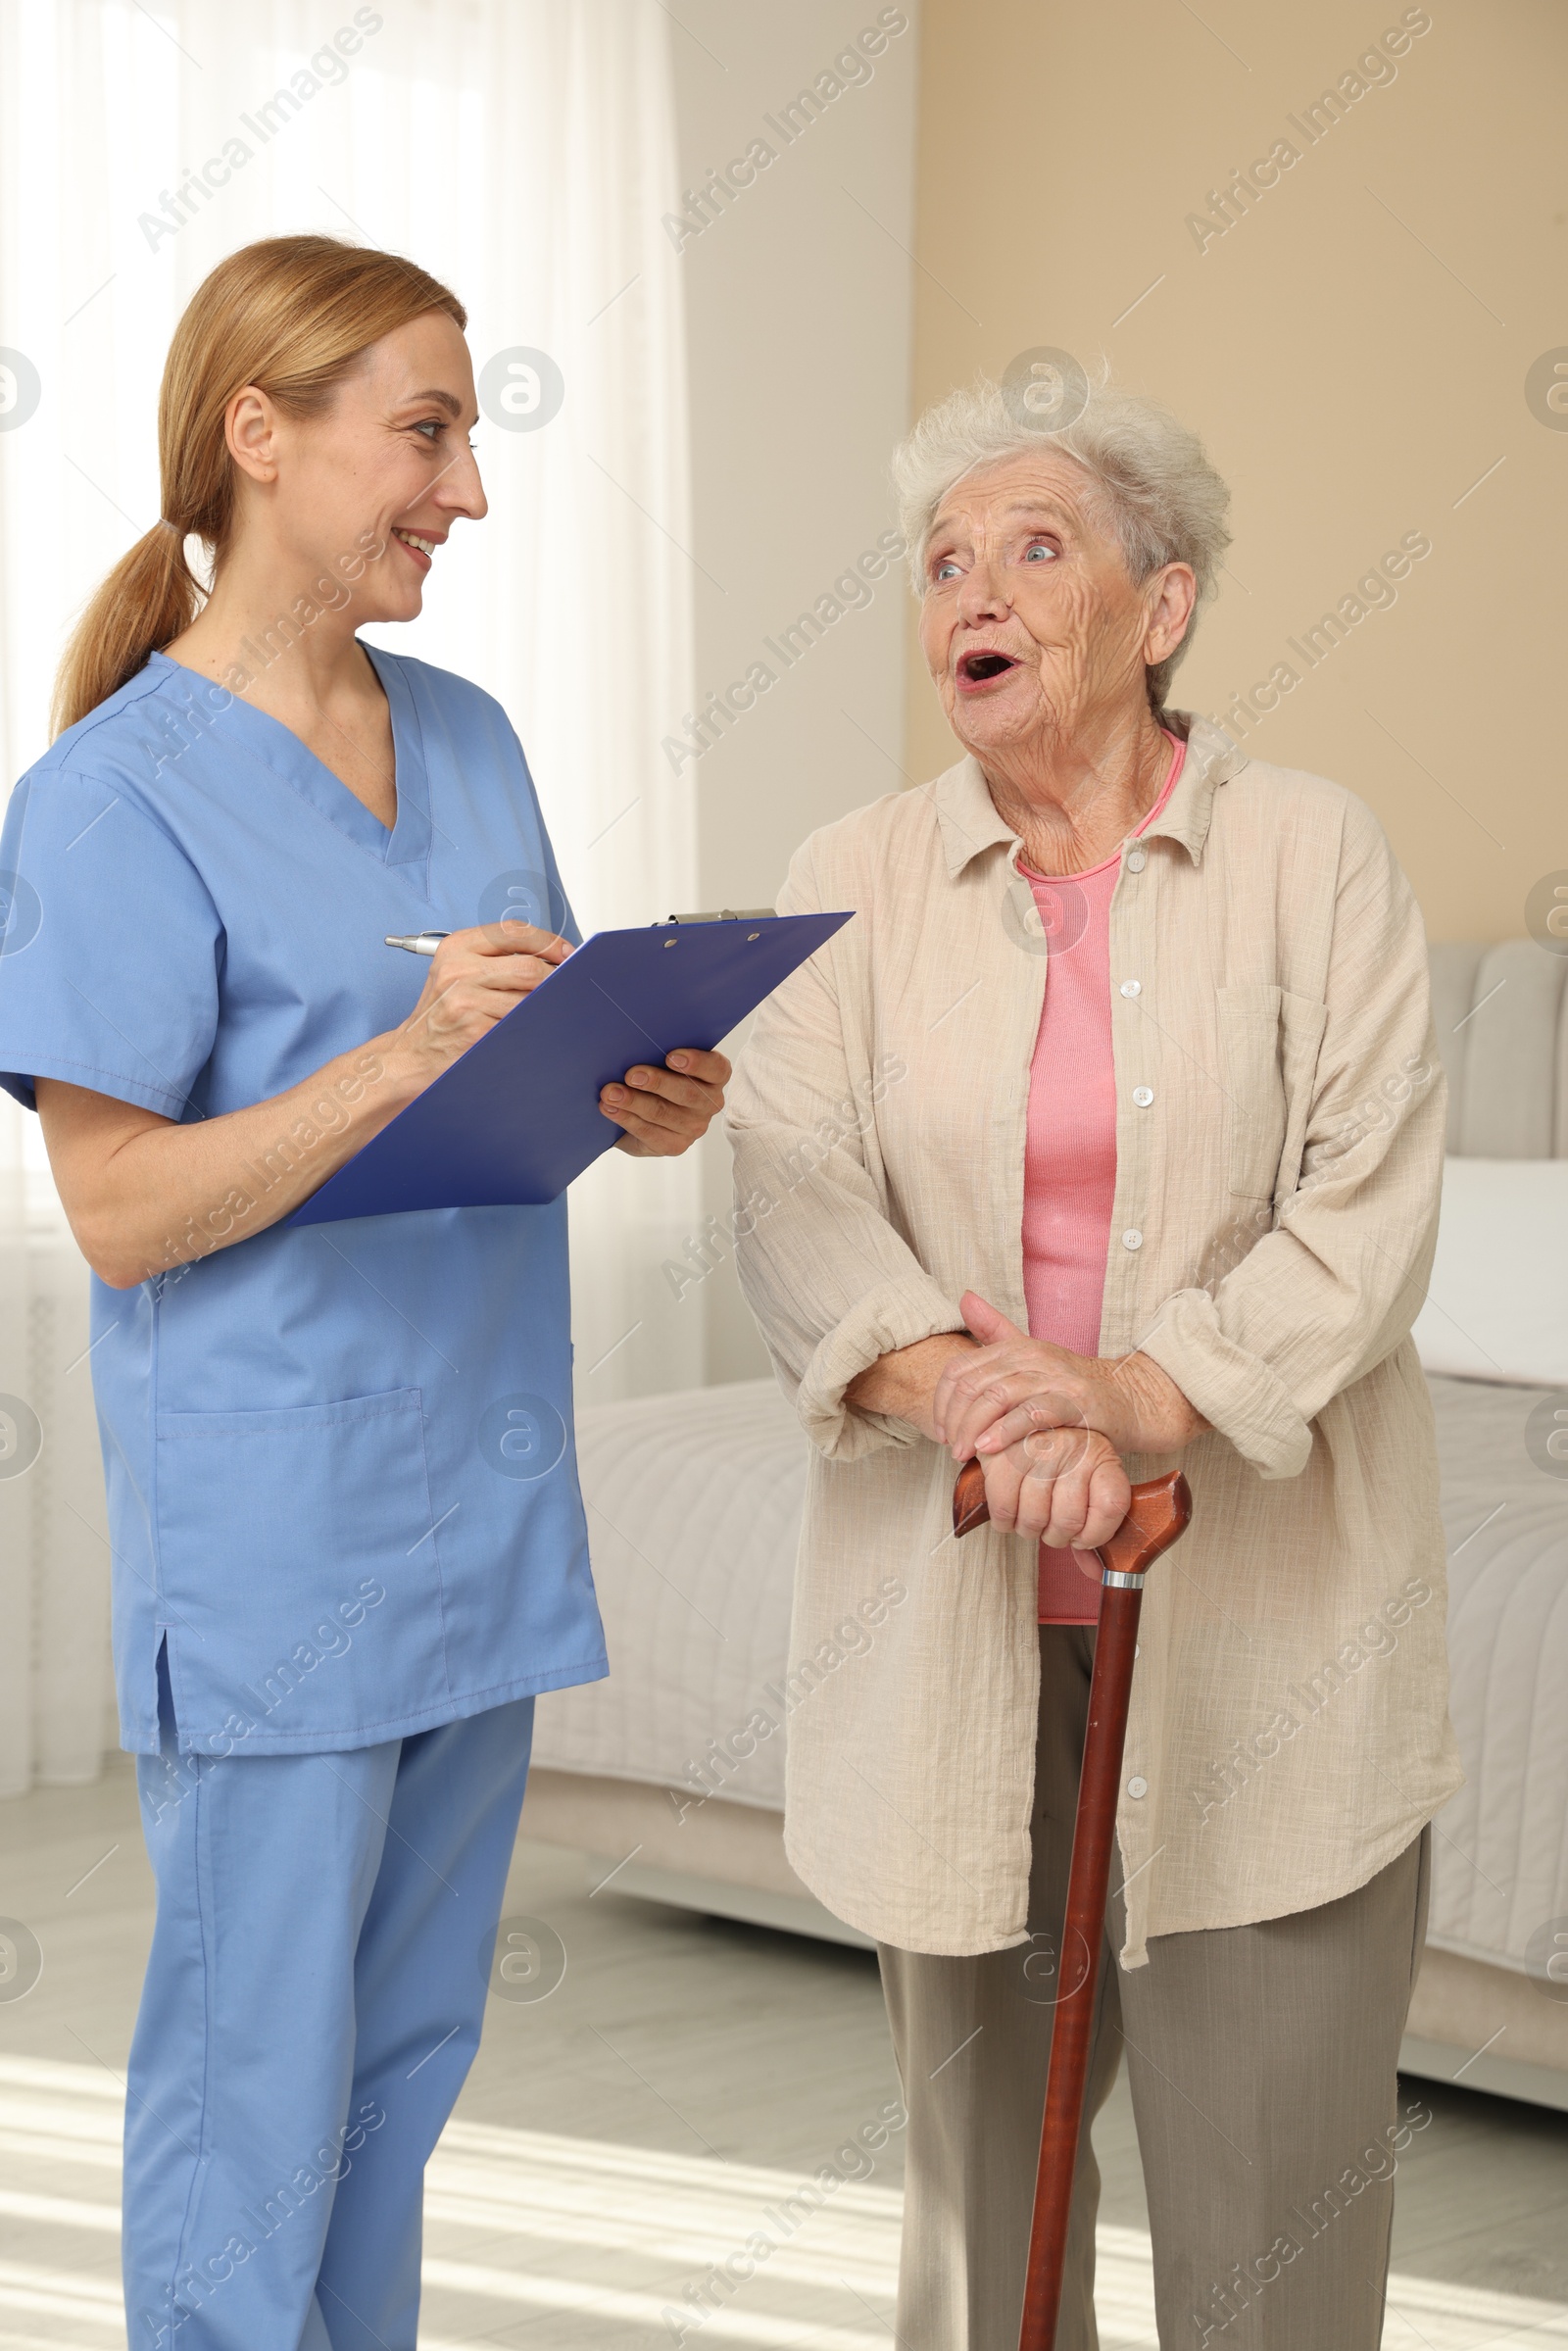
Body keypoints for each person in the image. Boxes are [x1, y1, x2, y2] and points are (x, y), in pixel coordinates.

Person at [0, 234, 729, 2351]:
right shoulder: (111, 798)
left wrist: (638, 1087)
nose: (467, 492)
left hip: (476, 1515)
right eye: (427, 431)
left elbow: (516, 1088)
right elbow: (122, 1209)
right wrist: (401, 1053)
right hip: (275, 1552)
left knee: (399, 2086)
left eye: (468, 438)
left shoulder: (472, 738)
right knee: (255, 2103)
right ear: (260, 431)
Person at [725, 370, 1460, 2349]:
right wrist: (983, 1397)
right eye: (940, 560)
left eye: (1030, 546)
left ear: (1161, 607)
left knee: (1272, 2230)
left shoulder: (1311, 855)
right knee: (981, 2243)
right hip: (950, 1609)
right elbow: (795, 1207)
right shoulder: (843, 877)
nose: (967, 587)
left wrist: (1133, 1398)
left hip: (1264, 1642)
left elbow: (1365, 1210)